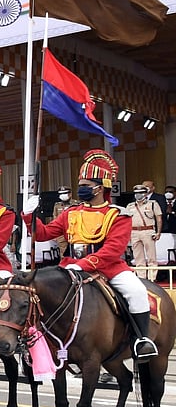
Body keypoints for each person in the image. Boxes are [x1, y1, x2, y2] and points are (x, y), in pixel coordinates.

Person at [21, 150, 159, 362]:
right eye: (81, 184)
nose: (81, 188)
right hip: (71, 265)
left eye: (86, 185)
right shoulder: (71, 212)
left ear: (100, 187)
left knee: (137, 292)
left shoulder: (118, 215)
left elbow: (113, 249)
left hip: (108, 268)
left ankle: (141, 340)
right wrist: (30, 215)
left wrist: (85, 264)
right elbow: (43, 234)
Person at [126, 184, 163, 280]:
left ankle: (152, 278)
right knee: (138, 257)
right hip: (134, 232)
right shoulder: (130, 206)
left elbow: (159, 219)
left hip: (148, 231)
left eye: (141, 193)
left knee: (151, 257)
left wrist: (158, 232)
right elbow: (126, 221)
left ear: (145, 194)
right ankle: (141, 278)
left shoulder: (152, 204)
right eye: (136, 193)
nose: (138, 195)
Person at [51, 187, 75, 259]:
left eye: (65, 193)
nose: (62, 195)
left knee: (76, 251)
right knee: (63, 252)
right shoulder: (57, 205)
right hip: (61, 232)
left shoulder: (76, 204)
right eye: (61, 194)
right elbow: (55, 219)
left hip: (74, 231)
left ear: (70, 194)